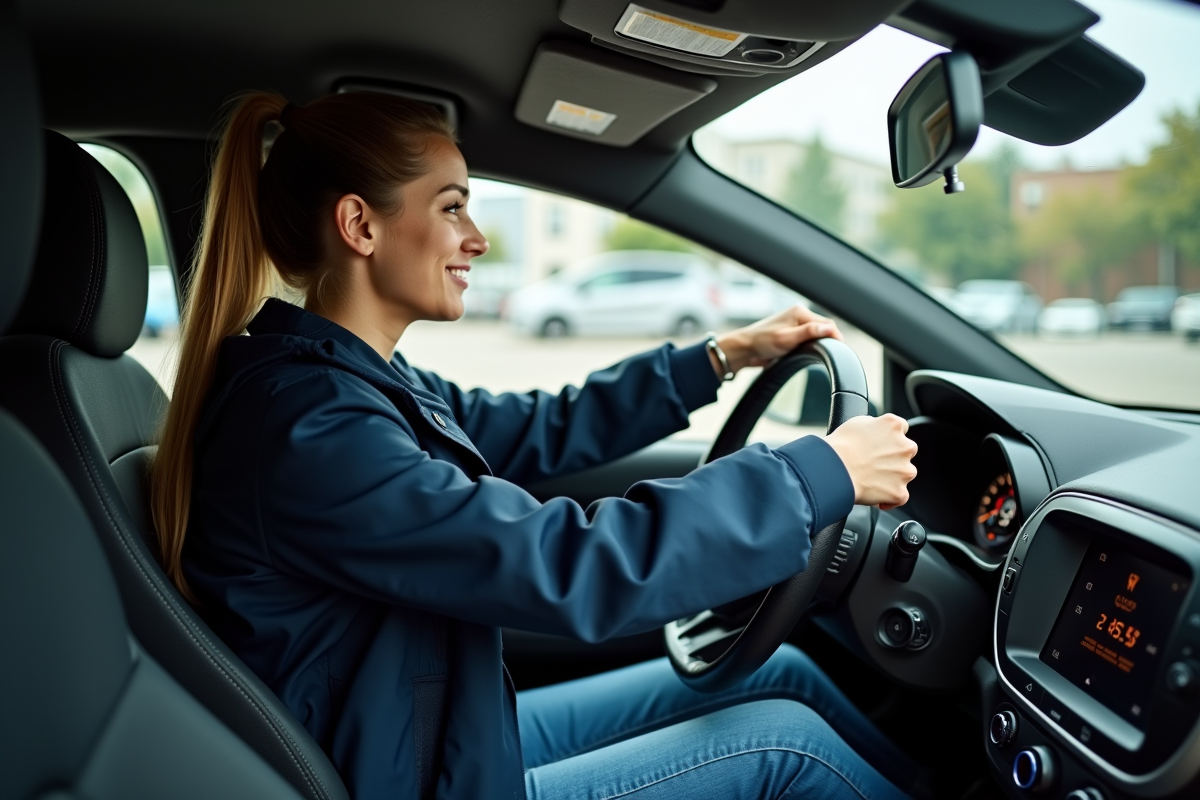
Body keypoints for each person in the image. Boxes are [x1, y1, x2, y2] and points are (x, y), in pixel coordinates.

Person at [152, 92, 920, 800]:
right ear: (361, 226)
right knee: (789, 750)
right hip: (406, 776)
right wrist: (820, 472)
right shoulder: (311, 429)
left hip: (428, 734)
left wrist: (719, 357)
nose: (478, 240)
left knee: (783, 673)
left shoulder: (350, 386)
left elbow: (537, 426)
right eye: (452, 208)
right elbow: (564, 566)